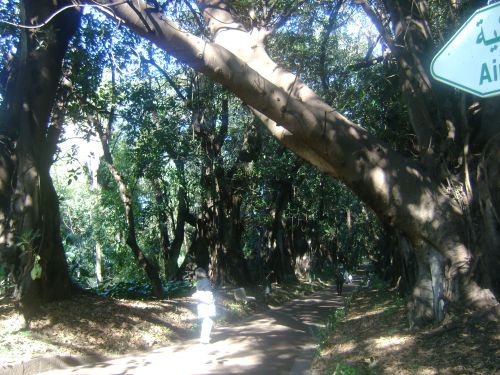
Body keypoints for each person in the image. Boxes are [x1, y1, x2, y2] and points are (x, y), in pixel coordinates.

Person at [192, 267, 216, 344]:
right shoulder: (205, 281)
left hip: (202, 304)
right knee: (208, 322)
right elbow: (208, 293)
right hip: (207, 304)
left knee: (206, 322)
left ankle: (204, 338)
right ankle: (204, 339)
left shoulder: (199, 282)